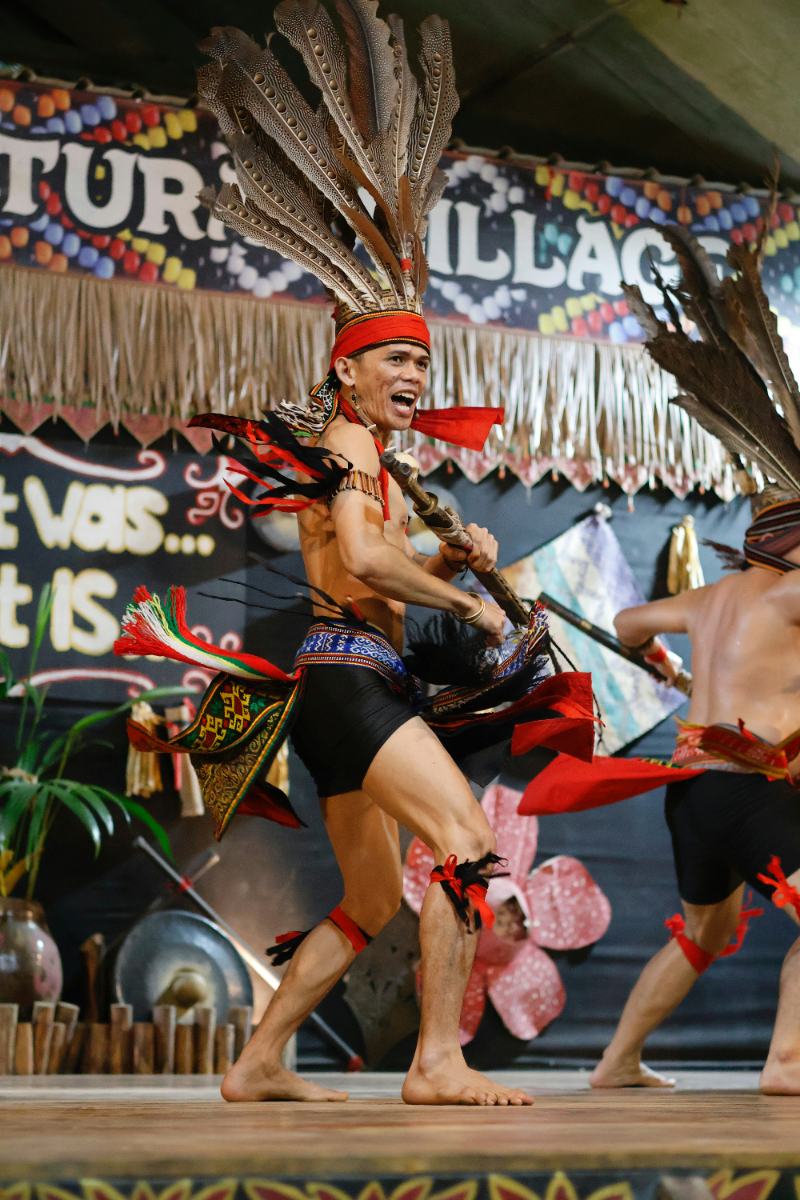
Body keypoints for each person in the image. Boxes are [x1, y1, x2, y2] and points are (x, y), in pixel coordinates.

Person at [216, 333, 536, 1106]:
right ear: (346, 371)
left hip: (342, 680)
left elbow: (373, 583)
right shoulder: (351, 437)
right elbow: (360, 557)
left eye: (423, 362)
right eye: (395, 359)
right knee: (467, 842)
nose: (415, 375)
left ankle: (256, 1063)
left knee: (371, 901)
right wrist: (468, 606)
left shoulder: (372, 459)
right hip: (350, 678)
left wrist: (442, 570)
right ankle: (435, 1062)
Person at [590, 495, 800, 1095]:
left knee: (703, 934)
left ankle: (617, 1061)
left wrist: (658, 657)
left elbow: (627, 624)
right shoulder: (790, 593)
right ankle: (788, 1061)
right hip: (748, 788)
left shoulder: (707, 599)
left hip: (695, 794)